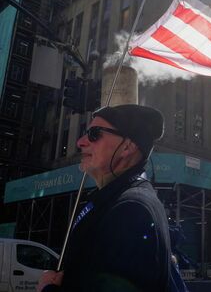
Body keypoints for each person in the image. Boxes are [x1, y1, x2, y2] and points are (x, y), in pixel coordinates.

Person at [37, 104, 172, 292]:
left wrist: (48, 289)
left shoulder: (131, 210)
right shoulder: (117, 200)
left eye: (94, 134)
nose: (81, 142)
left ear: (126, 147)